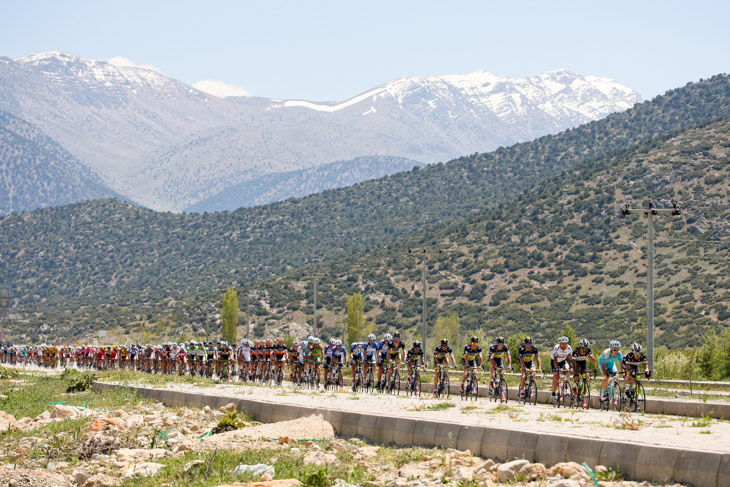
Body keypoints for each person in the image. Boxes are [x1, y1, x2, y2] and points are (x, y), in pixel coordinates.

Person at [551, 336, 573, 404]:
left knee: (567, 369)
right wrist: (557, 369)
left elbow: (572, 358)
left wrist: (574, 367)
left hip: (563, 361)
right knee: (556, 378)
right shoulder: (556, 348)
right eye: (563, 343)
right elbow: (555, 360)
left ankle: (566, 387)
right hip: (555, 362)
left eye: (566, 343)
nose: (564, 345)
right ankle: (553, 393)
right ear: (560, 343)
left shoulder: (569, 348)